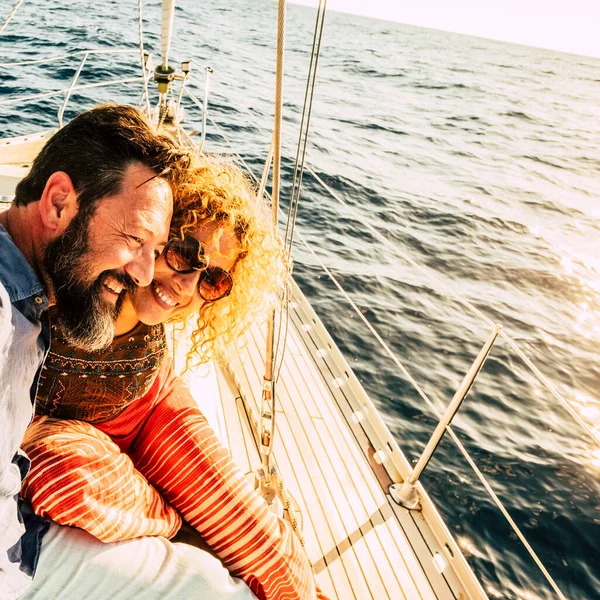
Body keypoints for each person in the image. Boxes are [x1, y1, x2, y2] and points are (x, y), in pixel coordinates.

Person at [21, 156, 326, 600]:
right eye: (185, 254)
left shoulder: (156, 331)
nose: (187, 286)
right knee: (63, 473)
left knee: (269, 548)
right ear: (154, 236)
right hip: (57, 435)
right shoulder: (74, 284)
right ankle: (176, 525)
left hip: (149, 406)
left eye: (215, 281)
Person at [0, 104, 257, 600]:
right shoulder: (46, 299)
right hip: (21, 541)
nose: (150, 273)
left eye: (215, 280)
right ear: (58, 204)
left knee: (254, 540)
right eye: (177, 253)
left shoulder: (55, 295)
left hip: (138, 415)